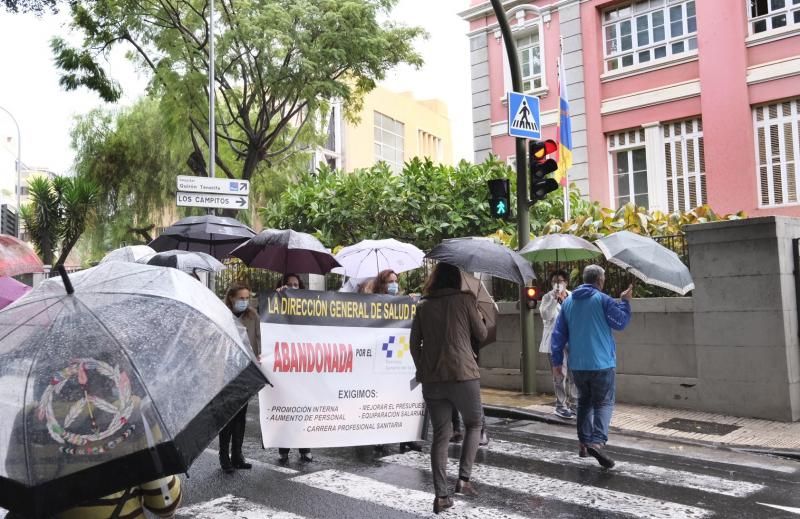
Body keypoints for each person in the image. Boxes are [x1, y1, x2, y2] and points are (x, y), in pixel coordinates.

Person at [409, 262, 487, 514]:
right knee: (474, 423)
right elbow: (482, 334)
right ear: (456, 280)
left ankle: (441, 495)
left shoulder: (422, 305)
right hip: (463, 374)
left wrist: (423, 368)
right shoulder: (465, 300)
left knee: (441, 435)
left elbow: (414, 345)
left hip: (432, 379)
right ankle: (463, 479)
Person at [551, 265, 632, 469]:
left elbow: (558, 335)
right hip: (602, 363)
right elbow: (620, 322)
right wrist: (625, 302)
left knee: (584, 403)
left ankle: (584, 444)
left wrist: (556, 362)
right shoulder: (602, 300)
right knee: (604, 403)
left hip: (578, 365)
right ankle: (597, 441)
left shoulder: (568, 302)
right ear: (600, 281)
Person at [219, 282, 262, 473]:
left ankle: (238, 455)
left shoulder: (252, 316)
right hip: (226, 371)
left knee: (241, 416)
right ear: (231, 298)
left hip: (246, 371)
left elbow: (258, 339)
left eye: (247, 298)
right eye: (241, 298)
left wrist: (259, 355)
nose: (245, 302)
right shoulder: (221, 315)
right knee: (228, 416)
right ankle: (224, 457)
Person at [275, 274, 313, 463]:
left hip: (303, 366)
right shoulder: (275, 303)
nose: (292, 287)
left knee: (303, 408)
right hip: (284, 366)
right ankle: (284, 449)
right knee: (286, 409)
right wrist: (276, 297)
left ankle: (305, 448)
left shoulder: (307, 306)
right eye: (289, 285)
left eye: (296, 285)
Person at [540, 269, 577, 420]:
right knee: (559, 374)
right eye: (554, 281)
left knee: (575, 374)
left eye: (560, 281)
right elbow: (545, 315)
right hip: (555, 342)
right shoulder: (547, 297)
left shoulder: (573, 297)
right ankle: (561, 406)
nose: (557, 284)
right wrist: (554, 299)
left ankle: (575, 404)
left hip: (573, 340)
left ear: (566, 282)